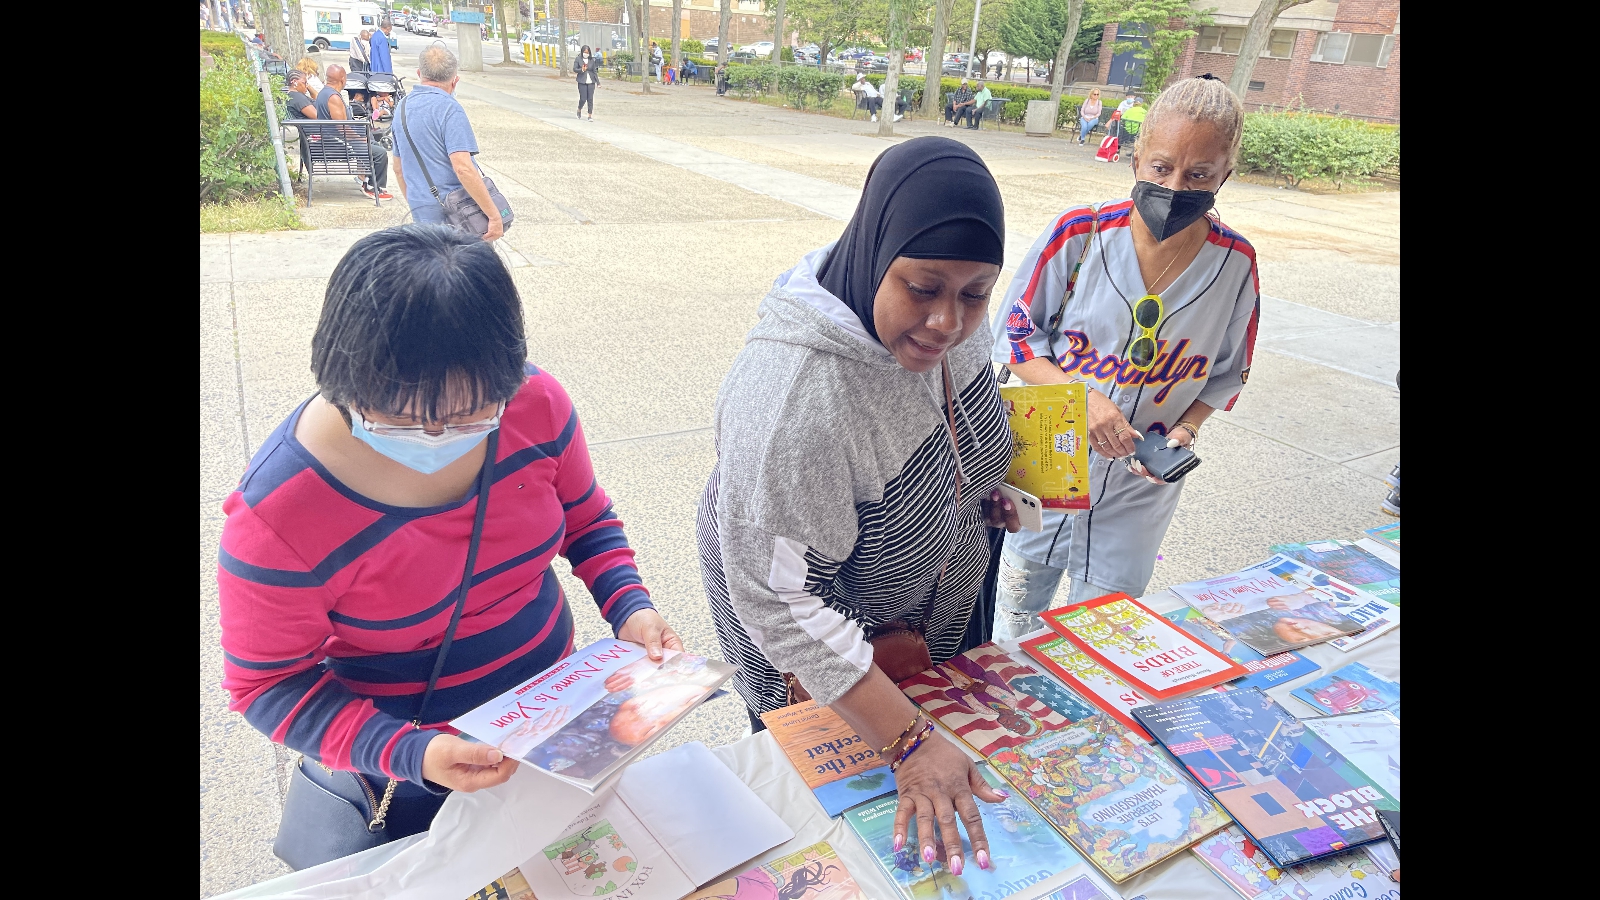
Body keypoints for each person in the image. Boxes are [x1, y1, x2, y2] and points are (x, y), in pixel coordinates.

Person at [218, 224, 685, 864]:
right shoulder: (279, 514)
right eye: (399, 417)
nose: (437, 436)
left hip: (555, 723)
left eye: (471, 415)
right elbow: (268, 686)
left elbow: (587, 519)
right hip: (408, 766)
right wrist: (412, 753)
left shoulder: (534, 405)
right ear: (340, 378)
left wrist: (629, 605)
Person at [698, 137, 1022, 876]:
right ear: (876, 256)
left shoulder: (951, 327)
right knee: (838, 845)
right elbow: (780, 603)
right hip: (822, 643)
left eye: (976, 294)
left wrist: (981, 487)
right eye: (923, 288)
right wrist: (907, 741)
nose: (947, 322)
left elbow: (960, 422)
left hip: (926, 611)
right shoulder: (796, 402)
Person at [988, 76, 1260, 641]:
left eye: (1199, 175)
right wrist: (1081, 398)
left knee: (1101, 633)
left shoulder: (1235, 263)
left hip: (1140, 482)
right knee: (1015, 616)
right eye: (1161, 168)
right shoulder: (1080, 233)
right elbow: (1014, 337)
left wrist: (1187, 429)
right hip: (1052, 457)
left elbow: (1227, 372)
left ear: (1225, 176)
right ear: (1135, 159)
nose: (1175, 186)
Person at [391, 46, 505, 242]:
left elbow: (398, 168)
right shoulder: (450, 109)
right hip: (457, 214)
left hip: (421, 211)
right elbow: (463, 168)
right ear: (455, 80)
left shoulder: (402, 107)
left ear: (419, 74)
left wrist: (416, 204)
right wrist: (494, 216)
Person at [316, 64, 393, 200]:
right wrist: (359, 138)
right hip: (337, 143)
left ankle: (366, 179)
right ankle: (372, 188)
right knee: (380, 153)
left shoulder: (325, 92)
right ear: (342, 79)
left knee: (372, 141)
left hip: (333, 139)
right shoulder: (333, 97)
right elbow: (342, 128)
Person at [575, 45, 599, 120]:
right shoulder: (578, 59)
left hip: (591, 81)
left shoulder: (591, 60)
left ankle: (589, 115)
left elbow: (594, 71)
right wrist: (582, 70)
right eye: (585, 52)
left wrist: (598, 82)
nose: (586, 54)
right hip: (582, 81)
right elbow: (575, 69)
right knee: (583, 98)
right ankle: (579, 109)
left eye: (587, 52)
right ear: (582, 52)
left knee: (590, 99)